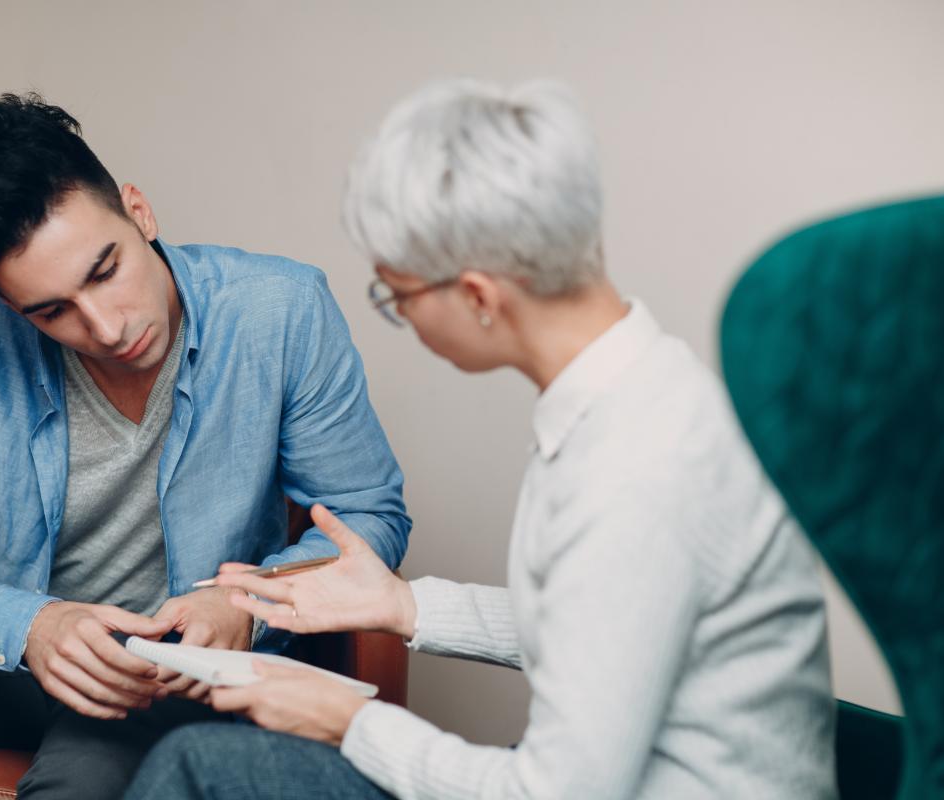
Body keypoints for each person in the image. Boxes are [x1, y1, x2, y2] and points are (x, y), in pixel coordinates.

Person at [123, 79, 838, 799]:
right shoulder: (642, 395)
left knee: (197, 768)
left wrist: (345, 720)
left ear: (476, 296)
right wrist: (406, 608)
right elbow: (611, 630)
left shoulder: (636, 470)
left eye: (396, 295)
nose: (397, 314)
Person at [0, 93, 410, 800]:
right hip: (6, 654)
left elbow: (369, 518)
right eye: (52, 311)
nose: (108, 328)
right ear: (7, 307)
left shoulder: (282, 311)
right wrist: (29, 624)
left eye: (105, 270)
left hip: (164, 673)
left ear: (138, 211)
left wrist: (244, 600)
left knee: (91, 774)